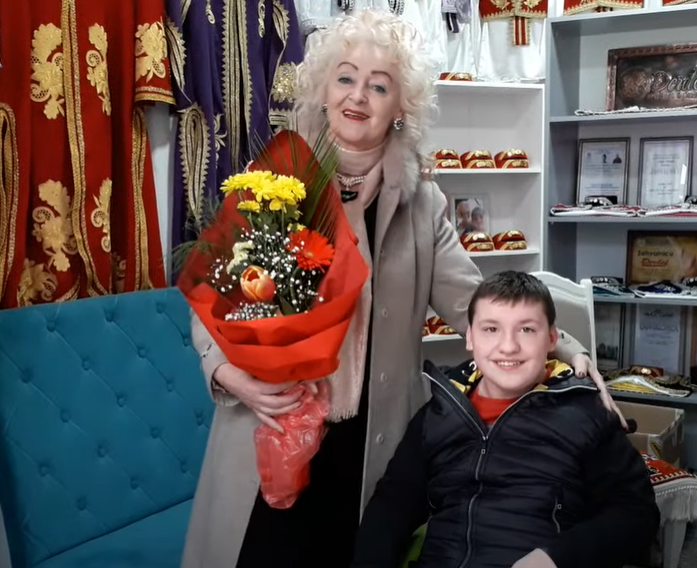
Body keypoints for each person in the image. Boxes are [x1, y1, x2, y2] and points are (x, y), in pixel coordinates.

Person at [181, 10, 621, 568]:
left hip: (370, 442)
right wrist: (225, 372)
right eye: (345, 78)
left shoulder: (423, 204)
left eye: (379, 86)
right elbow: (215, 297)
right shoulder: (273, 180)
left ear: (400, 110)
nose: (357, 96)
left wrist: (566, 350)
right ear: (322, 91)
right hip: (270, 422)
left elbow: (474, 303)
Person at [351, 271, 660, 568]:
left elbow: (637, 514)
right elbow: (392, 505)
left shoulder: (585, 414)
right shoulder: (439, 412)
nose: (509, 346)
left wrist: (558, 557)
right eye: (491, 329)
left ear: (552, 338)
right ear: (470, 337)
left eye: (526, 330)